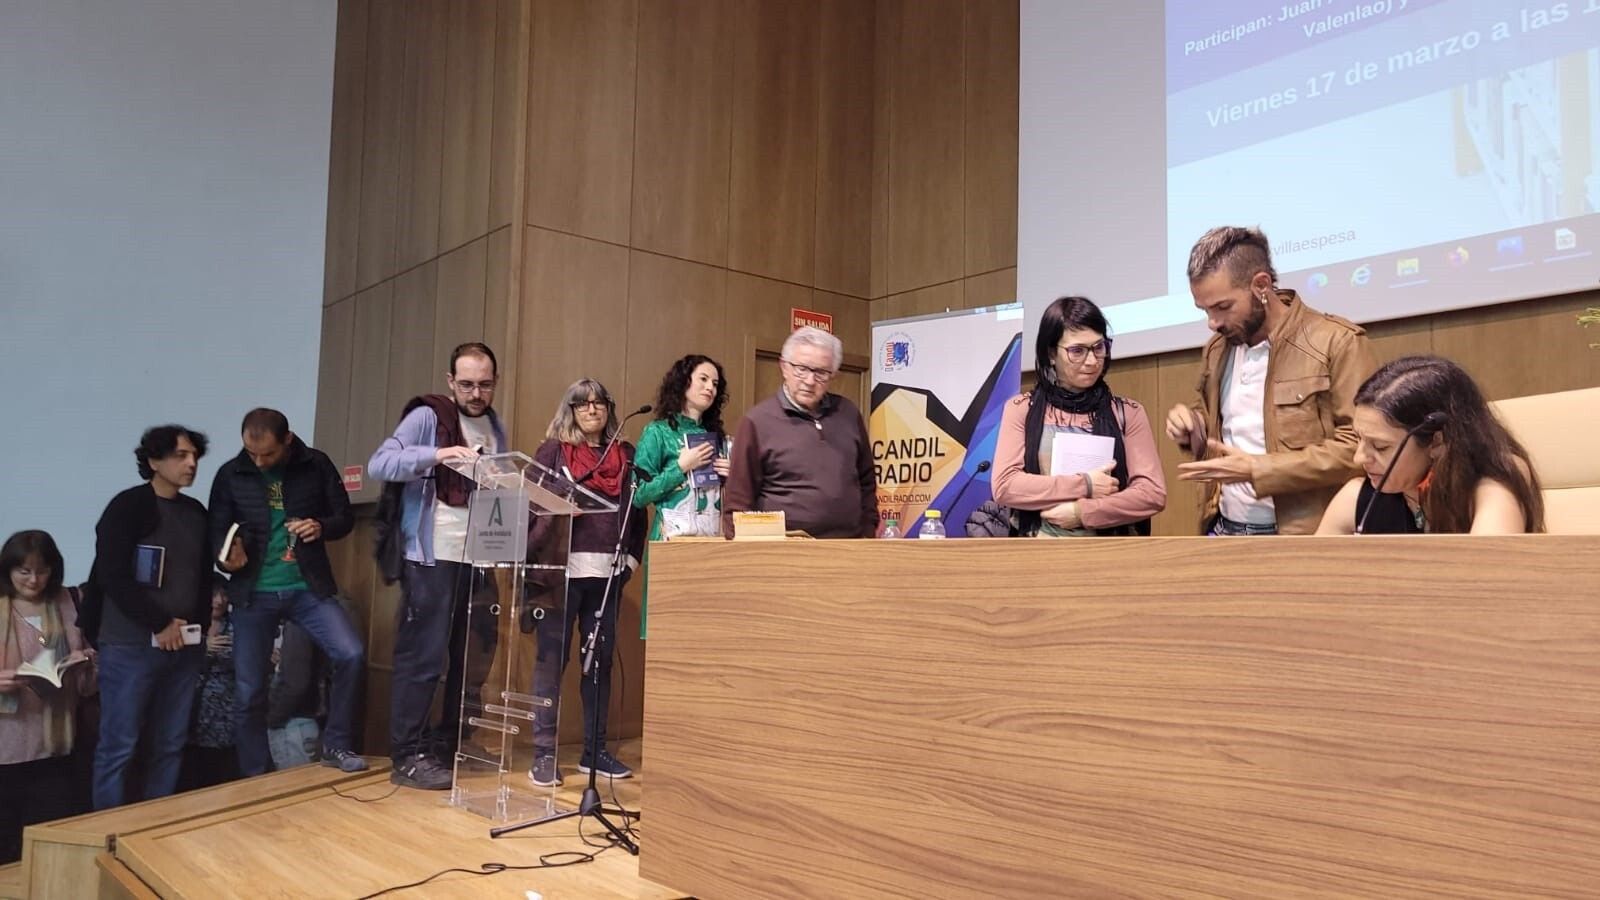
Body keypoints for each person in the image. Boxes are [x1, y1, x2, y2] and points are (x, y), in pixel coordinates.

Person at [1165, 226, 1376, 535]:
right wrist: (1192, 427)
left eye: (1223, 307)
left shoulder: (1337, 342)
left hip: (1300, 535)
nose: (1213, 323)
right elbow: (1220, 426)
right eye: (1205, 310)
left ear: (1261, 285)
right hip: (1222, 528)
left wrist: (1259, 469)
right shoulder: (1217, 349)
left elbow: (1362, 449)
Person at [368, 342, 506, 790]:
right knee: (422, 659)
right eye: (466, 384)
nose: (476, 392)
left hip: (477, 555)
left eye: (484, 384)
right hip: (431, 556)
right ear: (451, 382)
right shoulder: (428, 416)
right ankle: (407, 754)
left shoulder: (495, 426)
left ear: (494, 383)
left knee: (469, 660)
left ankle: (450, 745)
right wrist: (438, 454)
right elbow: (380, 463)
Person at [210, 408, 367, 776]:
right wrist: (226, 560)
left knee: (351, 654)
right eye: (252, 454)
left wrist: (321, 526)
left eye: (268, 454)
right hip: (253, 592)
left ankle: (337, 745)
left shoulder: (316, 464)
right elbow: (216, 531)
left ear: (288, 440)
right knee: (250, 690)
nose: (260, 462)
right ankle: (254, 771)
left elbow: (344, 518)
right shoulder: (230, 474)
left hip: (307, 587)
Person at [526, 379, 647, 787]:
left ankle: (594, 753)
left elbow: (638, 514)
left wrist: (629, 561)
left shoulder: (625, 456)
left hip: (607, 575)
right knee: (551, 664)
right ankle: (543, 754)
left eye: (599, 403)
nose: (592, 409)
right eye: (583, 404)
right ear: (570, 410)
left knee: (599, 667)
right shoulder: (552, 452)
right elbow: (528, 505)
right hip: (561, 574)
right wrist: (558, 513)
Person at [92, 424, 213, 809]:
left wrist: (196, 630)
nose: (191, 463)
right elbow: (112, 574)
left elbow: (204, 577)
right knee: (119, 745)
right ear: (154, 461)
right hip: (130, 643)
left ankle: (153, 829)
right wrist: (159, 623)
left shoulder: (196, 512)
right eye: (181, 455)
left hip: (185, 645)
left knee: (172, 742)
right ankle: (108, 833)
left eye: (194, 455)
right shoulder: (127, 506)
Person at [992, 296, 1165, 535]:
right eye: (1077, 351)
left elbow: (1151, 493)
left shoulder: (1128, 413)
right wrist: (1085, 484)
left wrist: (1083, 513)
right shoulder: (1021, 408)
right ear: (1051, 354)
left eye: (1098, 347)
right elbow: (1006, 486)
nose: (1092, 361)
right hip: (1036, 555)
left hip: (1109, 558)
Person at [1316, 356, 1545, 535]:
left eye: (1380, 446)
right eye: (1359, 438)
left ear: (1437, 441)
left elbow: (1487, 576)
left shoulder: (1494, 481)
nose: (1359, 457)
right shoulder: (1357, 498)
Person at [723, 327, 877, 538]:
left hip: (850, 548)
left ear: (833, 375)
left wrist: (868, 532)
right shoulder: (757, 422)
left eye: (821, 372)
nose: (810, 380)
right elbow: (737, 503)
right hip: (784, 554)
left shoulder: (848, 413)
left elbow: (867, 480)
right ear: (784, 367)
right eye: (801, 369)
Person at [0, 531, 96, 863]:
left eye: (42, 570)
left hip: (57, 742)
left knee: (49, 839)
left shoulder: (69, 602)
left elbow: (89, 683)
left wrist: (86, 660)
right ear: (8, 570)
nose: (34, 579)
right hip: (6, 747)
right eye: (23, 571)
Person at [632, 355, 731, 637]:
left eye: (715, 383)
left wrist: (731, 477)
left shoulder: (718, 437)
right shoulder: (658, 432)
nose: (710, 387)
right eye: (703, 379)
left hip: (711, 546)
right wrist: (680, 467)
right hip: (672, 543)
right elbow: (638, 496)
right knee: (668, 631)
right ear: (683, 382)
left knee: (704, 633)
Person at [180, 578, 238, 790]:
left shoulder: (237, 624)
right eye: (214, 595)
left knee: (223, 769)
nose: (220, 600)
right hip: (191, 704)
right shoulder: (188, 625)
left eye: (224, 594)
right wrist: (202, 648)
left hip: (227, 705)